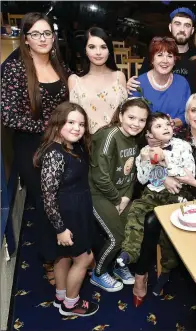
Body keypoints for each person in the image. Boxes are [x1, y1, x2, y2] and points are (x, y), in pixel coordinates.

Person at [130, 92, 196, 308]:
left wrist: (195, 183)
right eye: (193, 110)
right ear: (186, 114)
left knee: (174, 219)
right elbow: (151, 159)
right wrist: (166, 176)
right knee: (151, 220)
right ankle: (142, 274)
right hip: (168, 194)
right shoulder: (173, 135)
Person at [1, 12, 72, 286]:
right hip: (33, 147)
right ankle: (49, 259)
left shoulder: (57, 61)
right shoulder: (15, 68)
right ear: (26, 39)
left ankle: (65, 253)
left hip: (62, 143)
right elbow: (8, 115)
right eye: (35, 34)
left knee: (62, 200)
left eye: (47, 33)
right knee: (45, 204)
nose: (42, 39)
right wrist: (50, 128)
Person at [117, 112, 196, 306]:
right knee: (136, 210)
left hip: (178, 191)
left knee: (162, 222)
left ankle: (166, 268)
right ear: (150, 134)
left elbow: (189, 174)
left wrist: (164, 161)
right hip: (153, 192)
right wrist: (146, 160)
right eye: (158, 126)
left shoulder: (182, 146)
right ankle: (129, 252)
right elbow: (144, 179)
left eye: (167, 124)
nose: (166, 128)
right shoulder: (144, 150)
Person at [33, 101, 98, 317]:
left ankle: (61, 296)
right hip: (65, 215)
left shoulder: (73, 146)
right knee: (84, 259)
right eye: (71, 122)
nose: (76, 128)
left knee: (63, 256)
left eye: (81, 124)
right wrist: (60, 228)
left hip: (75, 209)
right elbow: (48, 196)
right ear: (58, 122)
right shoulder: (55, 154)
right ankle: (71, 304)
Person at [89, 98, 150, 292]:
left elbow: (131, 172)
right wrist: (117, 199)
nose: (136, 123)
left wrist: (126, 198)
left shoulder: (135, 138)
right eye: (131, 117)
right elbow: (100, 176)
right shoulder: (110, 136)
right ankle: (98, 273)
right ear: (121, 115)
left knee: (131, 227)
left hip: (121, 194)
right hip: (99, 194)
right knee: (116, 236)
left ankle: (117, 266)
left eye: (142, 120)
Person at [68, 27, 127, 134]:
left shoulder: (119, 77)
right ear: (85, 50)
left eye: (103, 47)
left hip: (116, 142)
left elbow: (126, 113)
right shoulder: (75, 80)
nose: (98, 52)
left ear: (109, 50)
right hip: (85, 144)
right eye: (92, 47)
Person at [127, 6, 196, 94]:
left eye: (187, 25)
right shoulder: (155, 55)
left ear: (192, 30)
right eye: (177, 24)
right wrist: (131, 84)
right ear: (170, 27)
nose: (182, 29)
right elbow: (140, 83)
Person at [129, 36, 191, 128]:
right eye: (160, 55)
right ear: (152, 60)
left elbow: (187, 114)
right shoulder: (138, 83)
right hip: (145, 136)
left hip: (176, 135)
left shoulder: (182, 83)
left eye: (169, 56)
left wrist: (173, 123)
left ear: (174, 61)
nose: (165, 61)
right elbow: (132, 116)